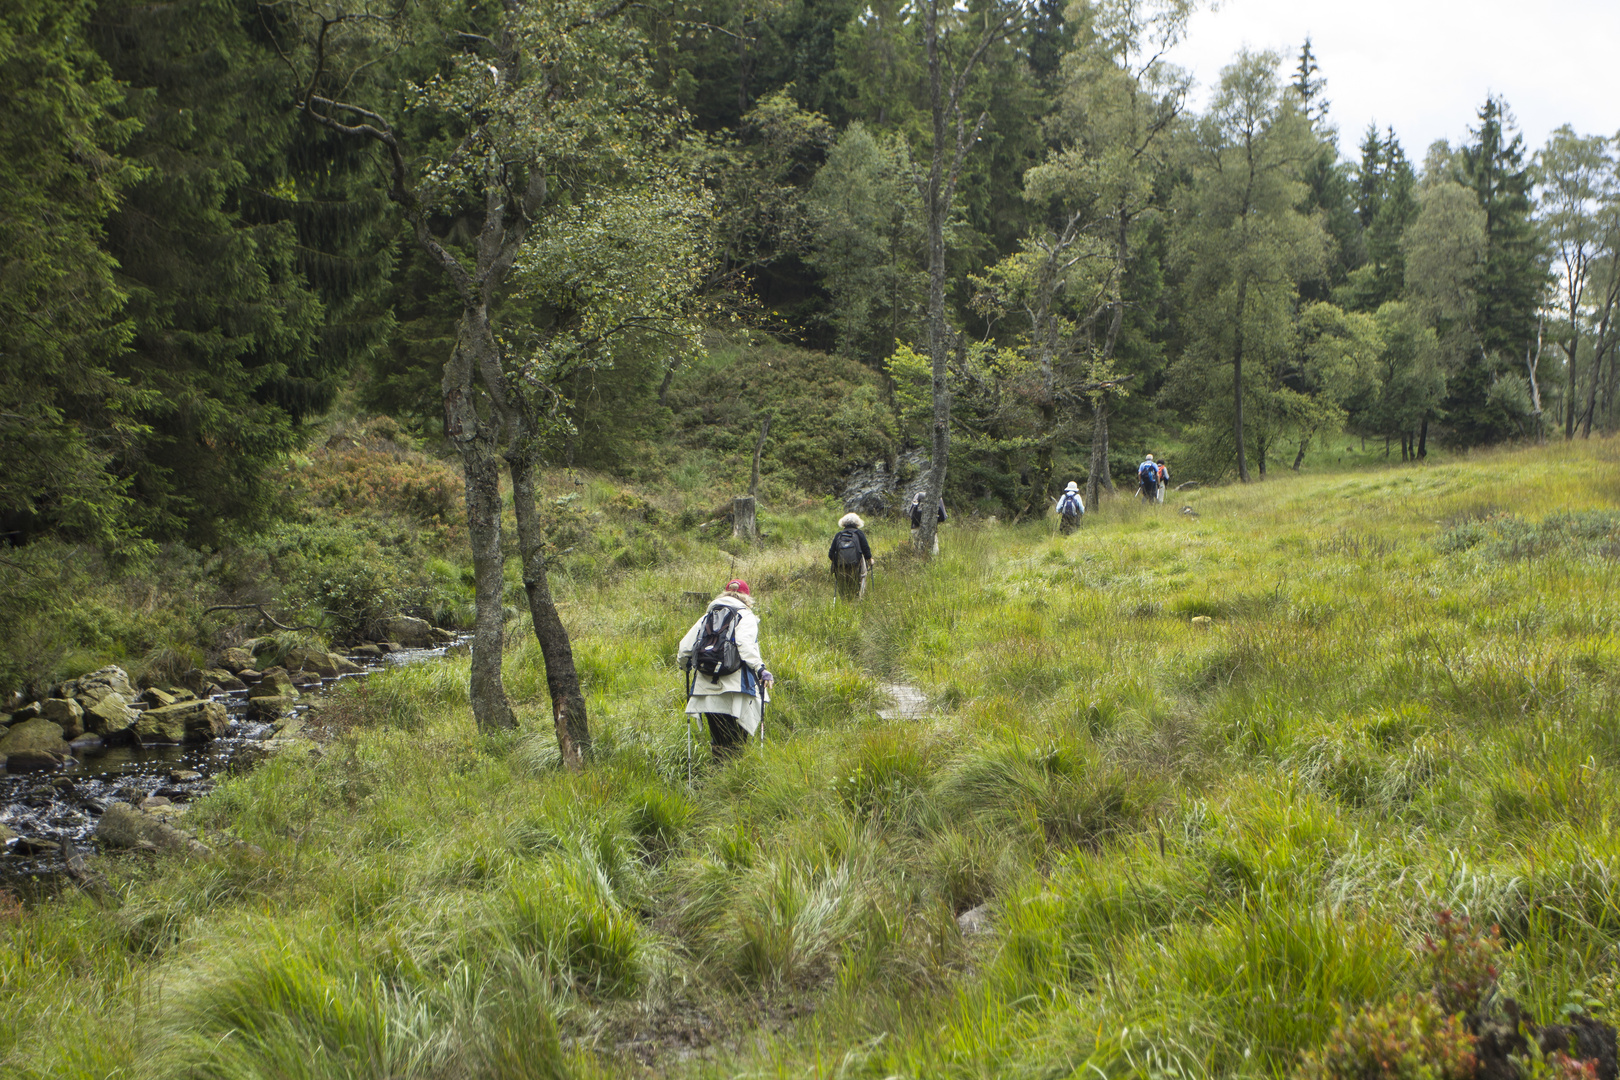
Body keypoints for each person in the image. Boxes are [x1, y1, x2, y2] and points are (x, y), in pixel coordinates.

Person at [677, 579, 773, 761]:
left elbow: (684, 649)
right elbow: (745, 645)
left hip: (706, 691)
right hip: (736, 690)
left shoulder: (706, 617)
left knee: (719, 739)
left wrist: (685, 666)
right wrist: (761, 669)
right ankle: (735, 780)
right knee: (737, 741)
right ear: (747, 597)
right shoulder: (746, 616)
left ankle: (718, 776)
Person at [828, 512, 874, 600]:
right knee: (859, 583)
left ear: (843, 523)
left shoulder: (839, 535)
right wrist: (870, 559)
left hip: (841, 567)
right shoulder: (859, 533)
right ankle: (858, 600)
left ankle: (845, 603)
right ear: (857, 522)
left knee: (844, 588)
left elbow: (831, 554)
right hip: (857, 565)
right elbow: (866, 549)